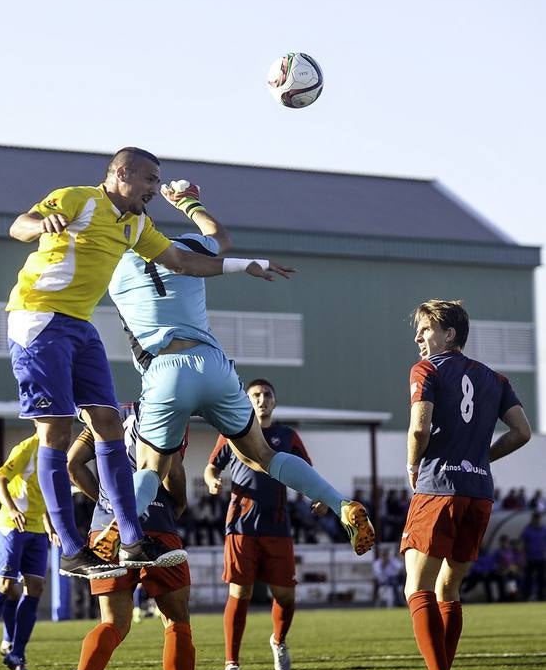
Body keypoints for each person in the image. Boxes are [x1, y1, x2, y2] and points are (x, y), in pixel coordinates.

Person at [6, 147, 292, 579]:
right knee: (57, 431)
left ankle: (131, 539)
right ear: (122, 173)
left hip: (80, 326)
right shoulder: (77, 198)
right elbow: (18, 225)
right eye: (150, 180)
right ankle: (71, 549)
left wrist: (241, 265)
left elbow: (180, 260)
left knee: (108, 422)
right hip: (38, 317)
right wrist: (40, 224)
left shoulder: (136, 224)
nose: (155, 189)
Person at [105, 179, 375, 559]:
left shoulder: (109, 265)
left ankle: (123, 525)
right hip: (212, 364)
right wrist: (188, 202)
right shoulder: (185, 247)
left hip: (164, 369)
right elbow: (220, 236)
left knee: (151, 467)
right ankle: (341, 503)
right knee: (261, 456)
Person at [389, 299, 531, 670]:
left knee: (417, 586)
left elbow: (419, 426)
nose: (417, 337)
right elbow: (522, 432)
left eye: (425, 329)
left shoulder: (427, 370)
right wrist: (481, 457)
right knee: (449, 591)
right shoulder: (495, 378)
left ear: (448, 334)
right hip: (478, 492)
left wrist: (414, 464)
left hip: (438, 488)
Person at [65, 404, 212, 670]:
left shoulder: (112, 414)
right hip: (156, 524)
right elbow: (171, 468)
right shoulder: (170, 412)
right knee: (176, 621)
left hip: (107, 528)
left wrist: (107, 502)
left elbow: (73, 465)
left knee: (113, 623)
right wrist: (179, 503)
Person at [204, 377, 326, 670]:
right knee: (239, 592)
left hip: (277, 524)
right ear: (248, 401)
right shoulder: (232, 434)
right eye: (256, 395)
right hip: (241, 526)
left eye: (267, 394)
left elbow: (307, 472)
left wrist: (318, 496)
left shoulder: (287, 436)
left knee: (285, 595)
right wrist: (211, 481)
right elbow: (211, 467)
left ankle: (278, 640)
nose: (261, 399)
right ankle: (231, 664)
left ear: (274, 401)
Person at [0, 433, 53, 670]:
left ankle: (16, 652)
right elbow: (0, 480)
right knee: (5, 585)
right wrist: (13, 509)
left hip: (37, 528)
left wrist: (49, 522)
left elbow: (45, 490)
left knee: (36, 587)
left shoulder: (58, 449)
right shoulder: (27, 447)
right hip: (12, 526)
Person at [520, 512, 545, 601]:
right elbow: (522, 544)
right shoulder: (527, 529)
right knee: (528, 578)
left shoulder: (543, 529)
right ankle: (526, 596)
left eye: (538, 518)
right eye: (535, 518)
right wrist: (523, 557)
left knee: (541, 578)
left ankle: (541, 596)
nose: (537, 520)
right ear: (533, 519)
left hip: (541, 558)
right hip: (530, 558)